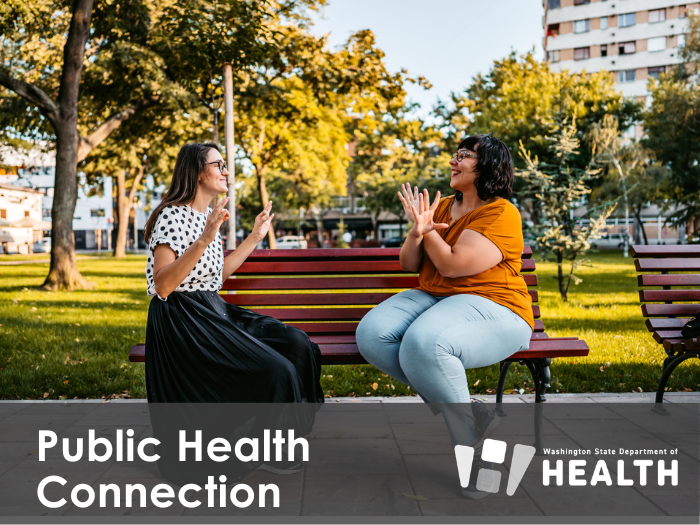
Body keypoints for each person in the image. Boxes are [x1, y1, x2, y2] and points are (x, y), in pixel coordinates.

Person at [355, 134, 533, 498]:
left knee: (424, 344)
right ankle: (470, 413)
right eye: (456, 154)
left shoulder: (501, 213)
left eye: (465, 156)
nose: (454, 161)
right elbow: (409, 262)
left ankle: (472, 452)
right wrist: (418, 231)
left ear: (488, 166)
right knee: (372, 334)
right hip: (435, 297)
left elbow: (453, 266)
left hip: (493, 304)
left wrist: (426, 231)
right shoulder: (441, 207)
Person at [142, 142, 323, 480]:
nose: (226, 171)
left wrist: (254, 237)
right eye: (218, 164)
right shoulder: (171, 215)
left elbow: (217, 275)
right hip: (183, 319)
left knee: (297, 345)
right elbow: (164, 285)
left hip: (213, 308)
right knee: (275, 369)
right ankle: (259, 447)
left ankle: (271, 443)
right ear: (197, 171)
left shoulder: (208, 217)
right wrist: (205, 236)